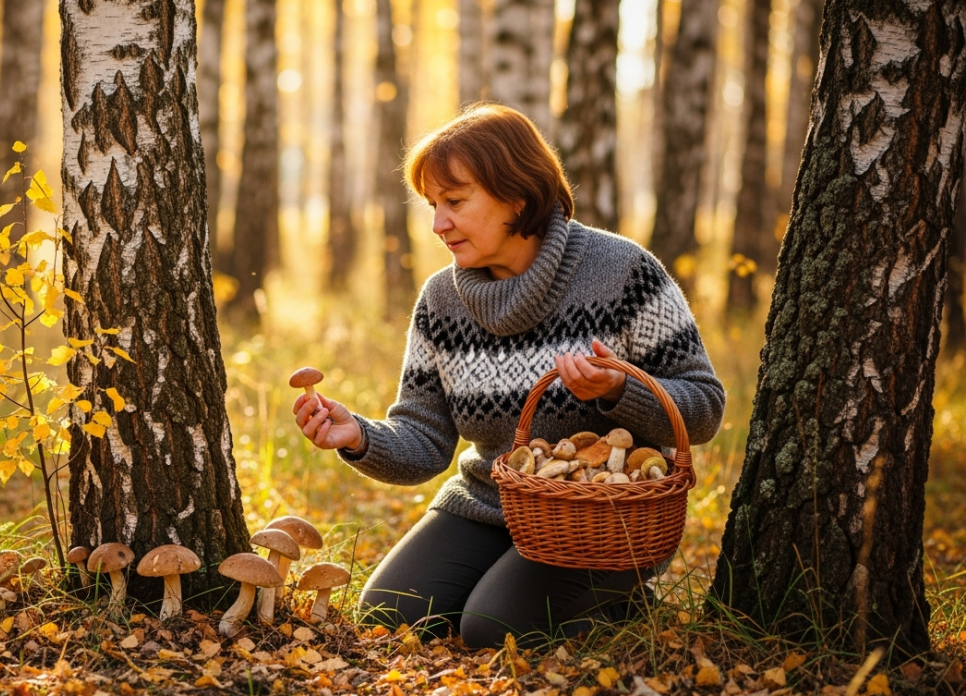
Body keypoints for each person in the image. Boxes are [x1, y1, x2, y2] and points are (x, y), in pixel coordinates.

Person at [292, 103, 726, 649]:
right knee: (388, 614)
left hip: (606, 519)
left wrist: (620, 390)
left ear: (517, 194)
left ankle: (621, 600)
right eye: (432, 204)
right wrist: (357, 435)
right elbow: (424, 441)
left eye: (454, 200)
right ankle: (508, 577)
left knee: (492, 629)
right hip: (491, 503)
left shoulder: (623, 272)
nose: (437, 223)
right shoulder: (440, 302)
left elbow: (705, 408)